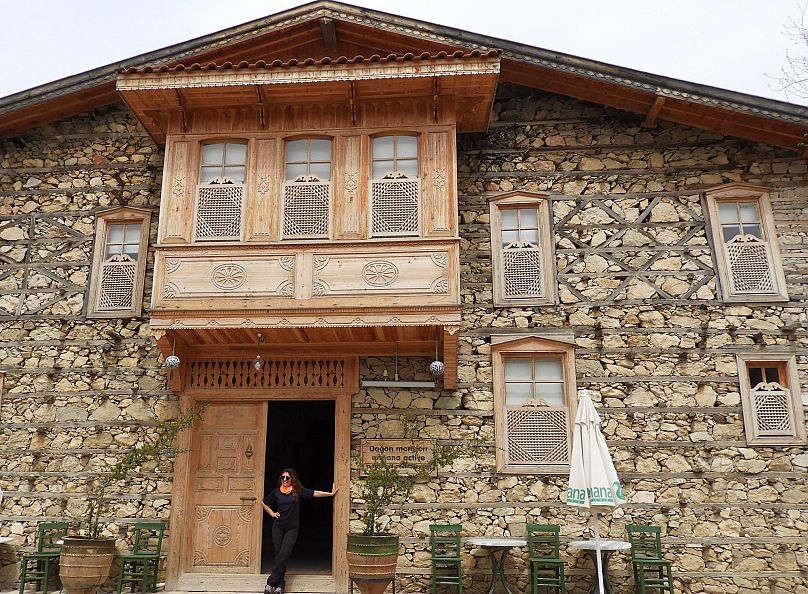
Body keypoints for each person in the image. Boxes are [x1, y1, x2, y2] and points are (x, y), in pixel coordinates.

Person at [262, 468, 337, 594]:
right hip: (278, 527)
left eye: (287, 477)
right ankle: (280, 585)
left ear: (292, 479)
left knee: (285, 553)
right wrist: (272, 513)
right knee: (279, 553)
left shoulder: (297, 491)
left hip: (292, 528)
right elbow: (264, 502)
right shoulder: (276, 492)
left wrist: (330, 494)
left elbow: (314, 493)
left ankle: (270, 582)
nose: (284, 480)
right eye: (283, 477)